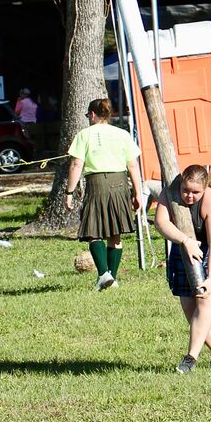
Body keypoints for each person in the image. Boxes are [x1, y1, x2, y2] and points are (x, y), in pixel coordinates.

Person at [154, 163, 211, 374]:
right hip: (186, 244)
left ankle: (190, 359)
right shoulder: (170, 191)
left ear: (205, 188)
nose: (189, 196)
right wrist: (185, 240)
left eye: (195, 192)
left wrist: (210, 279)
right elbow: (161, 222)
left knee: (204, 301)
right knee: (190, 310)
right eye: (186, 190)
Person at [65, 98, 142, 291]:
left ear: (92, 115)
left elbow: (76, 164)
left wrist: (69, 192)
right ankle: (112, 279)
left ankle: (103, 275)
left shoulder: (84, 135)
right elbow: (133, 164)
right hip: (120, 183)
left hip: (97, 183)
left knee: (94, 231)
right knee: (115, 235)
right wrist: (138, 193)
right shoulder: (122, 134)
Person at [15, 88, 41, 152]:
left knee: (26, 138)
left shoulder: (21, 102)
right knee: (33, 136)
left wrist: (18, 101)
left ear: (25, 95)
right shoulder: (34, 103)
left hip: (24, 122)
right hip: (33, 122)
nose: (20, 95)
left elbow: (16, 112)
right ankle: (36, 149)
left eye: (21, 94)